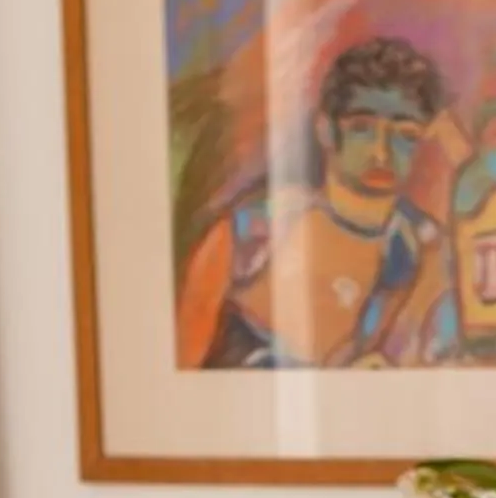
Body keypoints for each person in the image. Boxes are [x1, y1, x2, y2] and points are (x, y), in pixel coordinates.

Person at [175, 35, 462, 370]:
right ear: (326, 130)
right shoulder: (254, 232)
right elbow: (182, 369)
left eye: (405, 134)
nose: (382, 153)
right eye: (362, 128)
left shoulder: (423, 252)